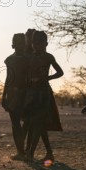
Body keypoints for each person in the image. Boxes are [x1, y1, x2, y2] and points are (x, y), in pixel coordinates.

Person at [23, 31, 63, 163]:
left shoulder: (49, 57)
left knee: (38, 122)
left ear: (46, 43)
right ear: (32, 44)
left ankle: (30, 153)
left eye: (41, 43)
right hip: (31, 93)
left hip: (44, 92)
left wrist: (47, 77)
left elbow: (60, 72)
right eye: (35, 43)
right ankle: (49, 153)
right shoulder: (29, 57)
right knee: (38, 124)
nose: (38, 45)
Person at [2, 33, 30, 161]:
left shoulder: (29, 59)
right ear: (13, 44)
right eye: (17, 42)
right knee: (15, 123)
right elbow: (8, 78)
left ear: (25, 44)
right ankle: (20, 151)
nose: (19, 45)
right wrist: (4, 96)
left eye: (22, 42)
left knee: (27, 121)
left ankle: (23, 149)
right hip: (12, 93)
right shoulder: (9, 60)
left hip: (26, 93)